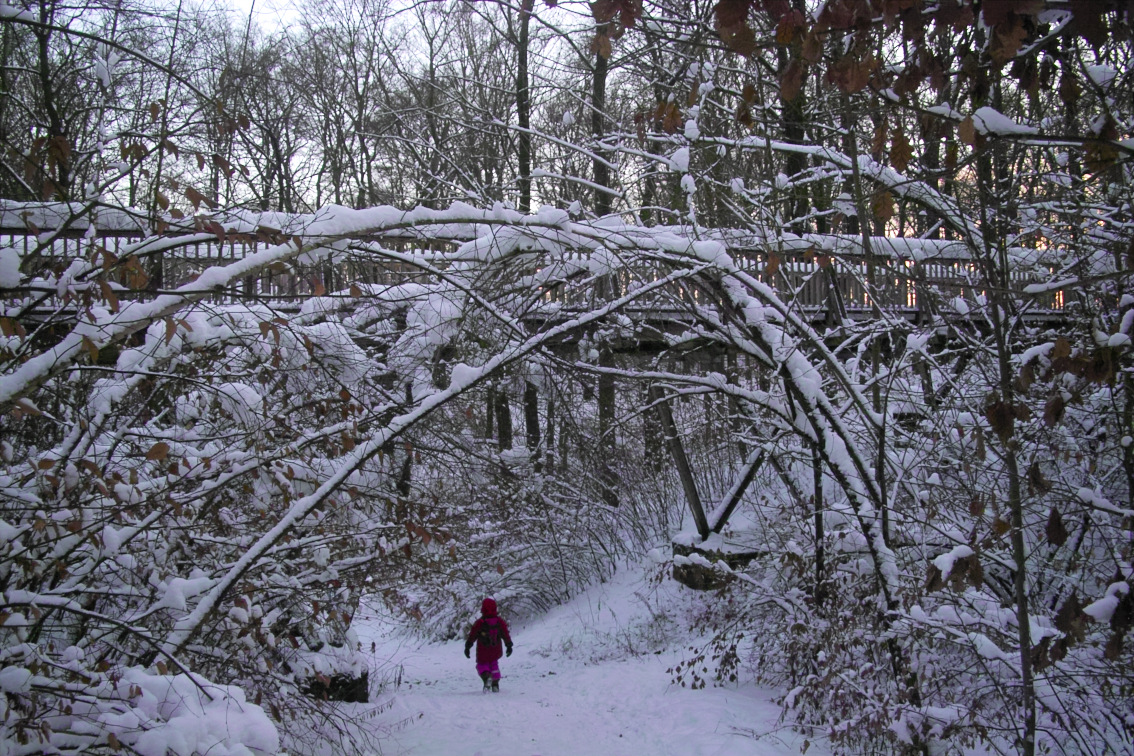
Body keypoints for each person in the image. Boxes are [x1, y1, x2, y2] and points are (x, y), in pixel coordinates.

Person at [463, 597, 513, 692]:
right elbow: (505, 633)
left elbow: (473, 634)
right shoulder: (499, 622)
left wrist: (468, 646)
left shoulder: (480, 623)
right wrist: (509, 645)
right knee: (494, 664)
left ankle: (487, 678)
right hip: (496, 649)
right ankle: (495, 683)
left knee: (482, 665)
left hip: (483, 650)